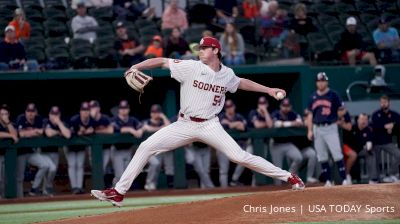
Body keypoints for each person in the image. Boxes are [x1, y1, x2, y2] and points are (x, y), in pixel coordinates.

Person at [91, 36, 305, 207]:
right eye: (199, 49)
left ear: (215, 51)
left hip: (210, 124)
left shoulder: (227, 74)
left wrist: (268, 90)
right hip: (184, 124)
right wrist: (137, 66)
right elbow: (162, 61)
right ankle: (119, 192)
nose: (200, 51)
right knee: (146, 146)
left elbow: (240, 83)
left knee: (239, 156)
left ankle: (289, 177)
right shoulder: (191, 67)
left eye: (204, 48)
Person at [305, 72, 348, 187]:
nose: (321, 83)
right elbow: (309, 115)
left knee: (337, 154)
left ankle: (344, 179)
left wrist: (338, 115)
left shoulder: (333, 94)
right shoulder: (312, 97)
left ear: (327, 82)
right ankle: (328, 181)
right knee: (322, 156)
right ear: (316, 83)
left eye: (323, 81)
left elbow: (342, 110)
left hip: (330, 127)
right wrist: (309, 130)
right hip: (317, 128)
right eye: (319, 81)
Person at [16, 103, 51, 197]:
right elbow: (21, 134)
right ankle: (19, 198)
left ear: (35, 112)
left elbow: (42, 132)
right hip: (20, 152)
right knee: (20, 177)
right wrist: (33, 132)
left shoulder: (38, 119)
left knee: (45, 165)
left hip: (31, 152)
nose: (30, 113)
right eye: (28, 111)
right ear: (25, 112)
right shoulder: (21, 118)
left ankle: (34, 188)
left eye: (32, 111)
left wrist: (29, 132)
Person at [270, 99, 304, 185]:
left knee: (299, 158)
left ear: (290, 107)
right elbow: (275, 124)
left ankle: (290, 175)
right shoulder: (276, 113)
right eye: (284, 106)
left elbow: (300, 122)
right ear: (280, 106)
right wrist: (291, 123)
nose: (285, 108)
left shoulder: (292, 113)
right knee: (277, 170)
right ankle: (277, 192)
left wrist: (283, 124)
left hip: (288, 144)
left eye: (287, 106)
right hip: (276, 144)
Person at [111, 100, 143, 185]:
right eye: (122, 108)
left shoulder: (132, 120)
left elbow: (141, 127)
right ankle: (114, 190)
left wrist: (140, 130)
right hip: (117, 149)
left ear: (128, 109)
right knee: (119, 175)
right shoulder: (114, 119)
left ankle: (122, 193)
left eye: (125, 108)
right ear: (119, 109)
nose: (123, 110)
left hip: (129, 149)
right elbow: (117, 129)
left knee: (127, 175)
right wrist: (130, 129)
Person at [217, 99, 248, 187]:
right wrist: (236, 124)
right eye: (227, 107)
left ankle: (234, 180)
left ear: (234, 107)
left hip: (237, 145)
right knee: (223, 171)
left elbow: (243, 127)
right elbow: (222, 126)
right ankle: (224, 191)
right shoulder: (221, 117)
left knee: (244, 159)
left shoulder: (239, 116)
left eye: (230, 107)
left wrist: (230, 124)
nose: (229, 109)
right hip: (223, 146)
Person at [42, 106, 71, 196]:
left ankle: (47, 189)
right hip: (43, 151)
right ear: (49, 114)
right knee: (47, 170)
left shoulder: (61, 123)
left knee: (52, 170)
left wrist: (59, 123)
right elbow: (48, 133)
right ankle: (44, 189)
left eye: (56, 114)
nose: (54, 116)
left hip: (55, 151)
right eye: (52, 114)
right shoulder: (45, 121)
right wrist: (58, 132)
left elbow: (67, 135)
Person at [370, 95, 400, 183]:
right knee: (374, 159)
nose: (383, 104)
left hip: (388, 142)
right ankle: (376, 179)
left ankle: (390, 174)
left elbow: (398, 123)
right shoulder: (376, 114)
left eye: (385, 102)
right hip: (377, 142)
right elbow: (374, 126)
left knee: (399, 155)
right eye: (382, 102)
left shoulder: (394, 114)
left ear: (389, 103)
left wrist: (393, 126)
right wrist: (385, 126)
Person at [142, 104, 172, 190]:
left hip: (158, 149)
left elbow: (169, 127)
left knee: (158, 167)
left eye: (157, 112)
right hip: (146, 150)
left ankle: (152, 185)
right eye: (153, 112)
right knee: (155, 164)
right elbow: (147, 128)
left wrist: (163, 117)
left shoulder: (162, 122)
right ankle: (148, 183)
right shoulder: (146, 122)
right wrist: (160, 128)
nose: (155, 114)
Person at [68, 102, 95, 194]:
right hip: (71, 147)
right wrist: (79, 133)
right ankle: (74, 187)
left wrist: (86, 132)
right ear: (80, 111)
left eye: (87, 110)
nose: (85, 112)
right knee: (72, 165)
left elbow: (94, 130)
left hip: (81, 147)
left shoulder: (91, 120)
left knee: (80, 166)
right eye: (83, 110)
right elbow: (69, 134)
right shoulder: (74, 120)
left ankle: (79, 187)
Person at [347, 113, 374, 183]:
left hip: (361, 151)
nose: (364, 121)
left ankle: (373, 178)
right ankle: (348, 177)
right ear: (358, 120)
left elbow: (369, 142)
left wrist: (369, 147)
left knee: (371, 154)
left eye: (366, 119)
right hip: (351, 151)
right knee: (352, 156)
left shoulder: (368, 130)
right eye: (362, 119)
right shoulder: (352, 128)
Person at [89, 100, 114, 171]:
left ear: (98, 108)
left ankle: (100, 182)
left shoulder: (104, 118)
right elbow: (88, 130)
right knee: (95, 168)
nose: (92, 109)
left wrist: (96, 131)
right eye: (90, 107)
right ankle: (97, 182)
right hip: (93, 148)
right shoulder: (88, 119)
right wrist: (91, 117)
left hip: (105, 147)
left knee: (102, 168)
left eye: (94, 107)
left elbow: (110, 130)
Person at [0, 104, 18, 197]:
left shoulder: (11, 124)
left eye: (5, 114)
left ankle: (3, 199)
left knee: (5, 179)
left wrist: (7, 123)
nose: (3, 116)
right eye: (1, 114)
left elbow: (15, 134)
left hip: (7, 155)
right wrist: (10, 135)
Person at [337, 107, 357, 185]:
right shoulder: (331, 113)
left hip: (343, 143)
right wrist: (340, 123)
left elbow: (349, 127)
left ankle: (346, 175)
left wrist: (341, 123)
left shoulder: (346, 114)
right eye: (341, 109)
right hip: (333, 142)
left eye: (343, 109)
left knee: (353, 155)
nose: (343, 111)